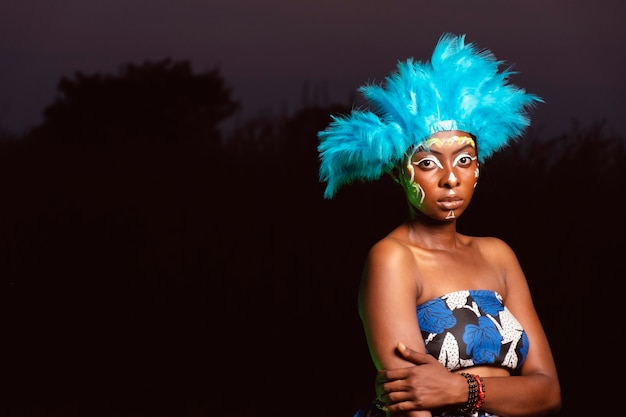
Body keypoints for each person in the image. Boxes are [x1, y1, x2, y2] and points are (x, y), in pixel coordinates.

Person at [317, 33, 561, 417]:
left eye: (464, 160)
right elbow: (411, 402)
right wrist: (487, 392)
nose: (450, 178)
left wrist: (458, 389)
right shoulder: (393, 259)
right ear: (399, 171)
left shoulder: (498, 255)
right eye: (428, 163)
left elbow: (548, 393)